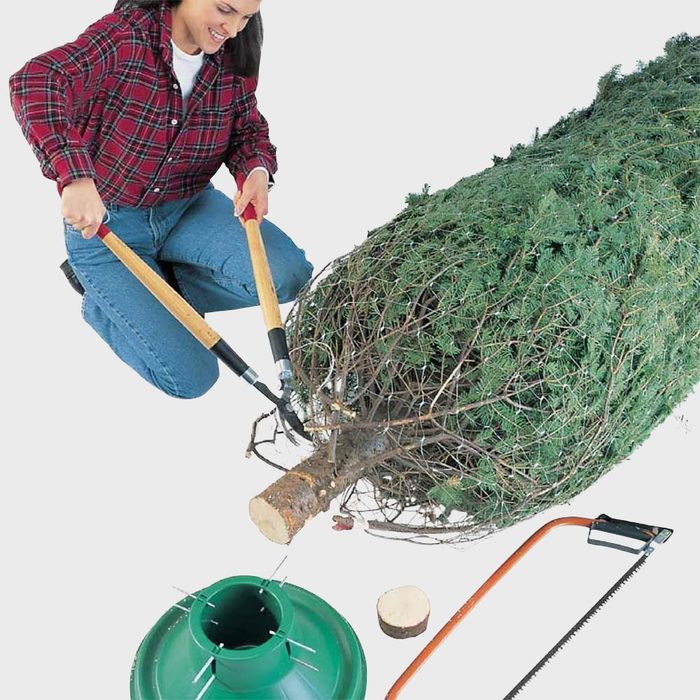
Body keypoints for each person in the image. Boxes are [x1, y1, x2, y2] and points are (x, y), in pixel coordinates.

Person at [9, 0, 313, 398]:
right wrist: (76, 177)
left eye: (246, 17)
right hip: (109, 229)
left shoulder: (230, 53)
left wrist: (256, 171)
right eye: (225, 10)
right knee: (192, 379)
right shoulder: (125, 37)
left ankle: (162, 286)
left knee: (289, 276)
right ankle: (103, 299)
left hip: (188, 208)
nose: (234, 29)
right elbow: (36, 81)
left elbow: (247, 128)